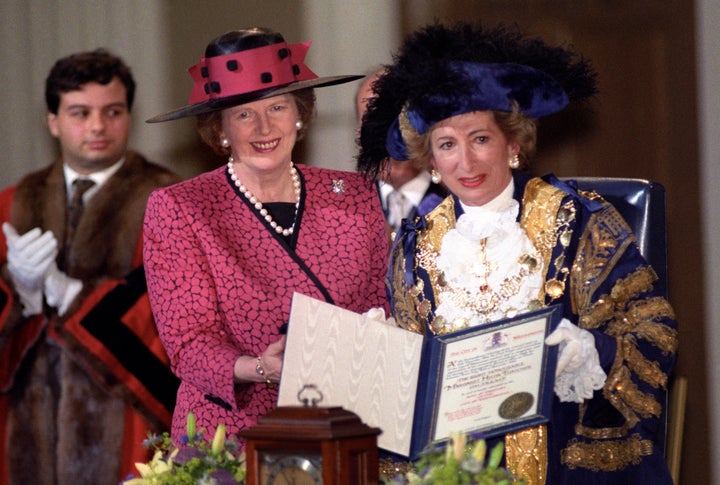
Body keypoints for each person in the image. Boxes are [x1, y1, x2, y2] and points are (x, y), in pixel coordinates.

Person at [358, 22, 677, 485]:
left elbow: (653, 328)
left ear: (512, 143)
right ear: (430, 160)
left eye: (480, 139)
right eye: (447, 145)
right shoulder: (415, 246)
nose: (465, 163)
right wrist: (387, 355)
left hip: (565, 457)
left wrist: (594, 351)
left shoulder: (581, 220)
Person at [143, 28, 390, 447]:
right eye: (243, 114)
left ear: (300, 115)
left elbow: (382, 309)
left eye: (277, 107)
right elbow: (188, 344)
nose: (264, 126)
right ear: (219, 129)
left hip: (343, 424)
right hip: (231, 436)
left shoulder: (355, 194)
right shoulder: (181, 208)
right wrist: (259, 367)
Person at [0, 49, 181, 484]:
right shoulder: (11, 204)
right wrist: (17, 292)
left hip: (127, 426)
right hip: (24, 427)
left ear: (129, 116)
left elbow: (177, 323)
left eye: (112, 111)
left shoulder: (170, 203)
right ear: (53, 121)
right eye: (80, 113)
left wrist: (74, 297)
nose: (98, 127)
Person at [356, 70, 447, 239]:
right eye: (374, 118)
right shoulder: (347, 207)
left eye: (400, 117)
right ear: (358, 132)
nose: (391, 133)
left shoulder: (457, 202)